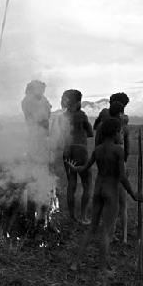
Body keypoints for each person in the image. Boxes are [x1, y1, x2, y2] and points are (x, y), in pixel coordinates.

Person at [66, 118, 143, 275]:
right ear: (115, 133)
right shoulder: (118, 151)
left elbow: (84, 168)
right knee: (107, 231)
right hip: (111, 192)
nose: (122, 136)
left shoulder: (98, 149)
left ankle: (76, 263)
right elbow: (121, 177)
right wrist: (133, 194)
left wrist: (73, 168)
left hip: (98, 191)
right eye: (121, 132)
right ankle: (103, 267)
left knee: (92, 228)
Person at [94, 101, 130, 243]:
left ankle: (110, 233)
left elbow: (97, 146)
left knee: (108, 203)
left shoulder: (103, 126)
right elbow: (128, 149)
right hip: (119, 165)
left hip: (105, 169)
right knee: (122, 204)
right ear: (121, 112)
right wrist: (123, 162)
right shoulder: (123, 127)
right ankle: (124, 237)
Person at [59, 89, 94, 223]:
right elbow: (90, 133)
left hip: (67, 150)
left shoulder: (63, 117)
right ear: (78, 101)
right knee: (87, 184)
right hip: (80, 149)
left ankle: (72, 216)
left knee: (71, 184)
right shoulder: (81, 115)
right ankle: (83, 216)